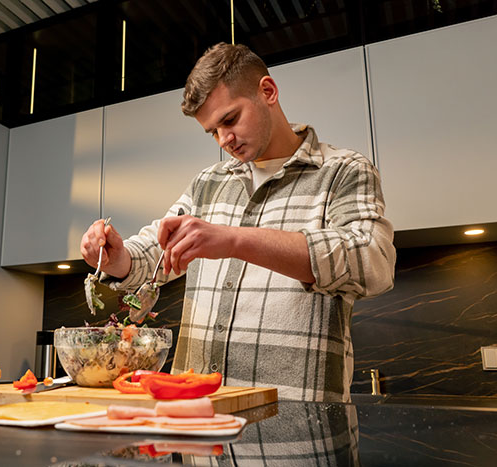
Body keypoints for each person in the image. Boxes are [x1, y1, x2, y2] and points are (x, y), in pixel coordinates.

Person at [80, 42, 395, 402]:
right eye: (212, 131)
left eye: (229, 120)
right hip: (198, 420)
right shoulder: (209, 183)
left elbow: (374, 263)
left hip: (295, 433)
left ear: (268, 91)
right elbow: (156, 253)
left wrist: (235, 240)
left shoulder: (343, 171)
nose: (224, 140)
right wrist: (117, 256)